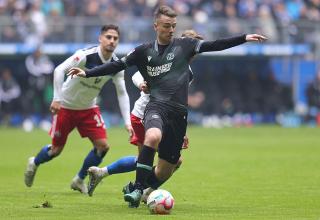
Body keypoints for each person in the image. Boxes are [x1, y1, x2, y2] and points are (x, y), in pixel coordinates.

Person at [68, 5, 267, 207]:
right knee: (152, 137)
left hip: (178, 114)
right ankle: (137, 189)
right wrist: (87, 73)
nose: (171, 29)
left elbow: (215, 45)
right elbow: (117, 65)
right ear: (156, 26)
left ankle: (137, 187)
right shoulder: (143, 51)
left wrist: (243, 38)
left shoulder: (185, 46)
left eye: (173, 26)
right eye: (166, 25)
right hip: (155, 107)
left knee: (166, 169)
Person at [85, 30, 203, 201]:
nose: (193, 52)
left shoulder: (188, 72)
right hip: (143, 115)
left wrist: (180, 131)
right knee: (148, 160)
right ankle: (139, 191)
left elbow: (176, 102)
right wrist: (142, 84)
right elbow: (136, 74)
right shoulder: (164, 58)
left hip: (165, 118)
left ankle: (115, 179)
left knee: (167, 161)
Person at [24, 24, 133, 194]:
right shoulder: (84, 56)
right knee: (56, 150)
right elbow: (59, 70)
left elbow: (122, 93)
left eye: (115, 38)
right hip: (66, 106)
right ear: (100, 38)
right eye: (108, 37)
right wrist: (57, 99)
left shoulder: (116, 65)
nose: (112, 41)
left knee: (103, 147)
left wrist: (128, 122)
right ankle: (34, 162)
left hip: (89, 109)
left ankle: (79, 179)